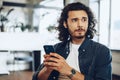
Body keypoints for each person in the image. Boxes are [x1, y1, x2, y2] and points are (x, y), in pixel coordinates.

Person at [32, 2, 112, 80]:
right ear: (65, 24)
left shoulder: (102, 51)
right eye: (74, 20)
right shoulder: (57, 48)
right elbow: (36, 78)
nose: (80, 24)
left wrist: (68, 70)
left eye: (84, 20)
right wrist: (48, 69)